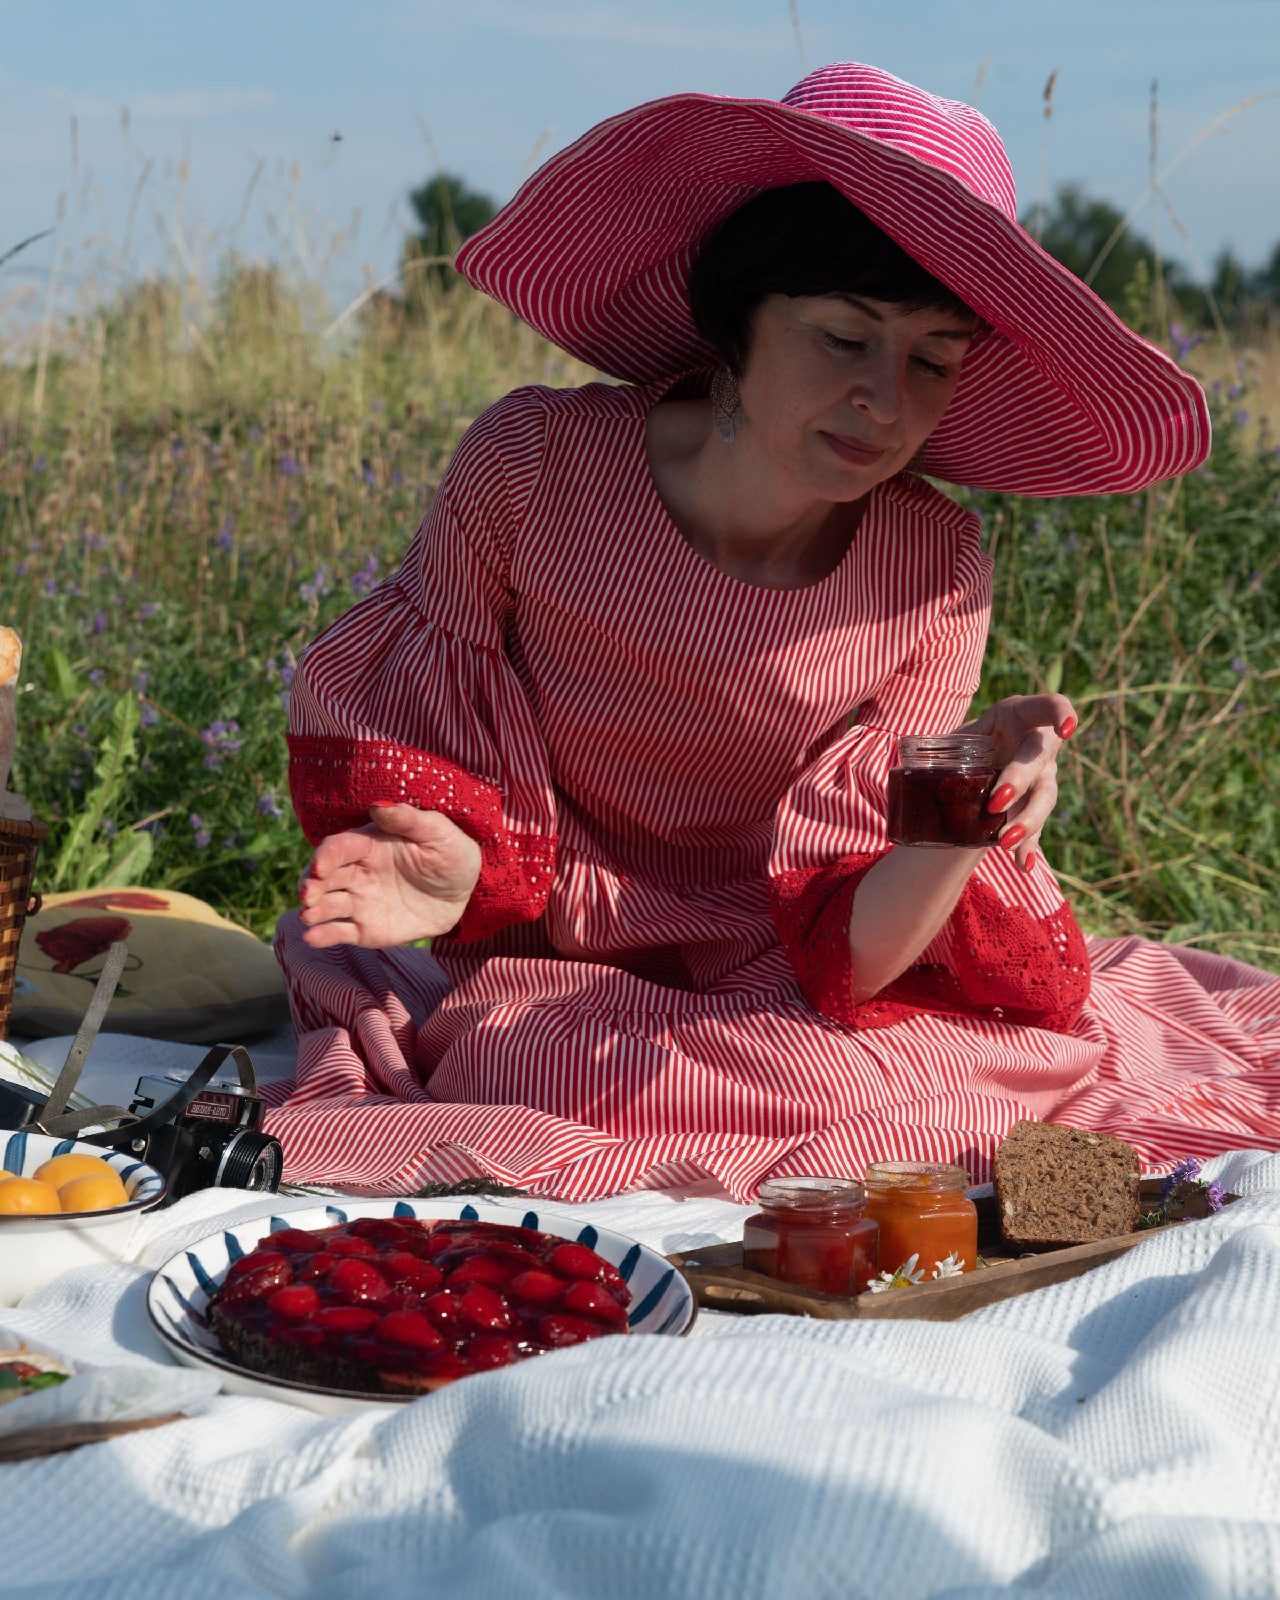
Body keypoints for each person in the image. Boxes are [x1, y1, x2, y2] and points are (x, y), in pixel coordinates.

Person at [268, 62, 1278, 1199]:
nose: (885, 401)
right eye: (844, 339)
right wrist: (447, 866)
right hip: (538, 957)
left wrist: (959, 814)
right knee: (546, 1063)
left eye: (932, 360)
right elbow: (426, 762)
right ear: (733, 320)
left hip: (782, 977)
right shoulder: (531, 466)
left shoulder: (935, 568)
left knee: (905, 1086)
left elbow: (858, 957)